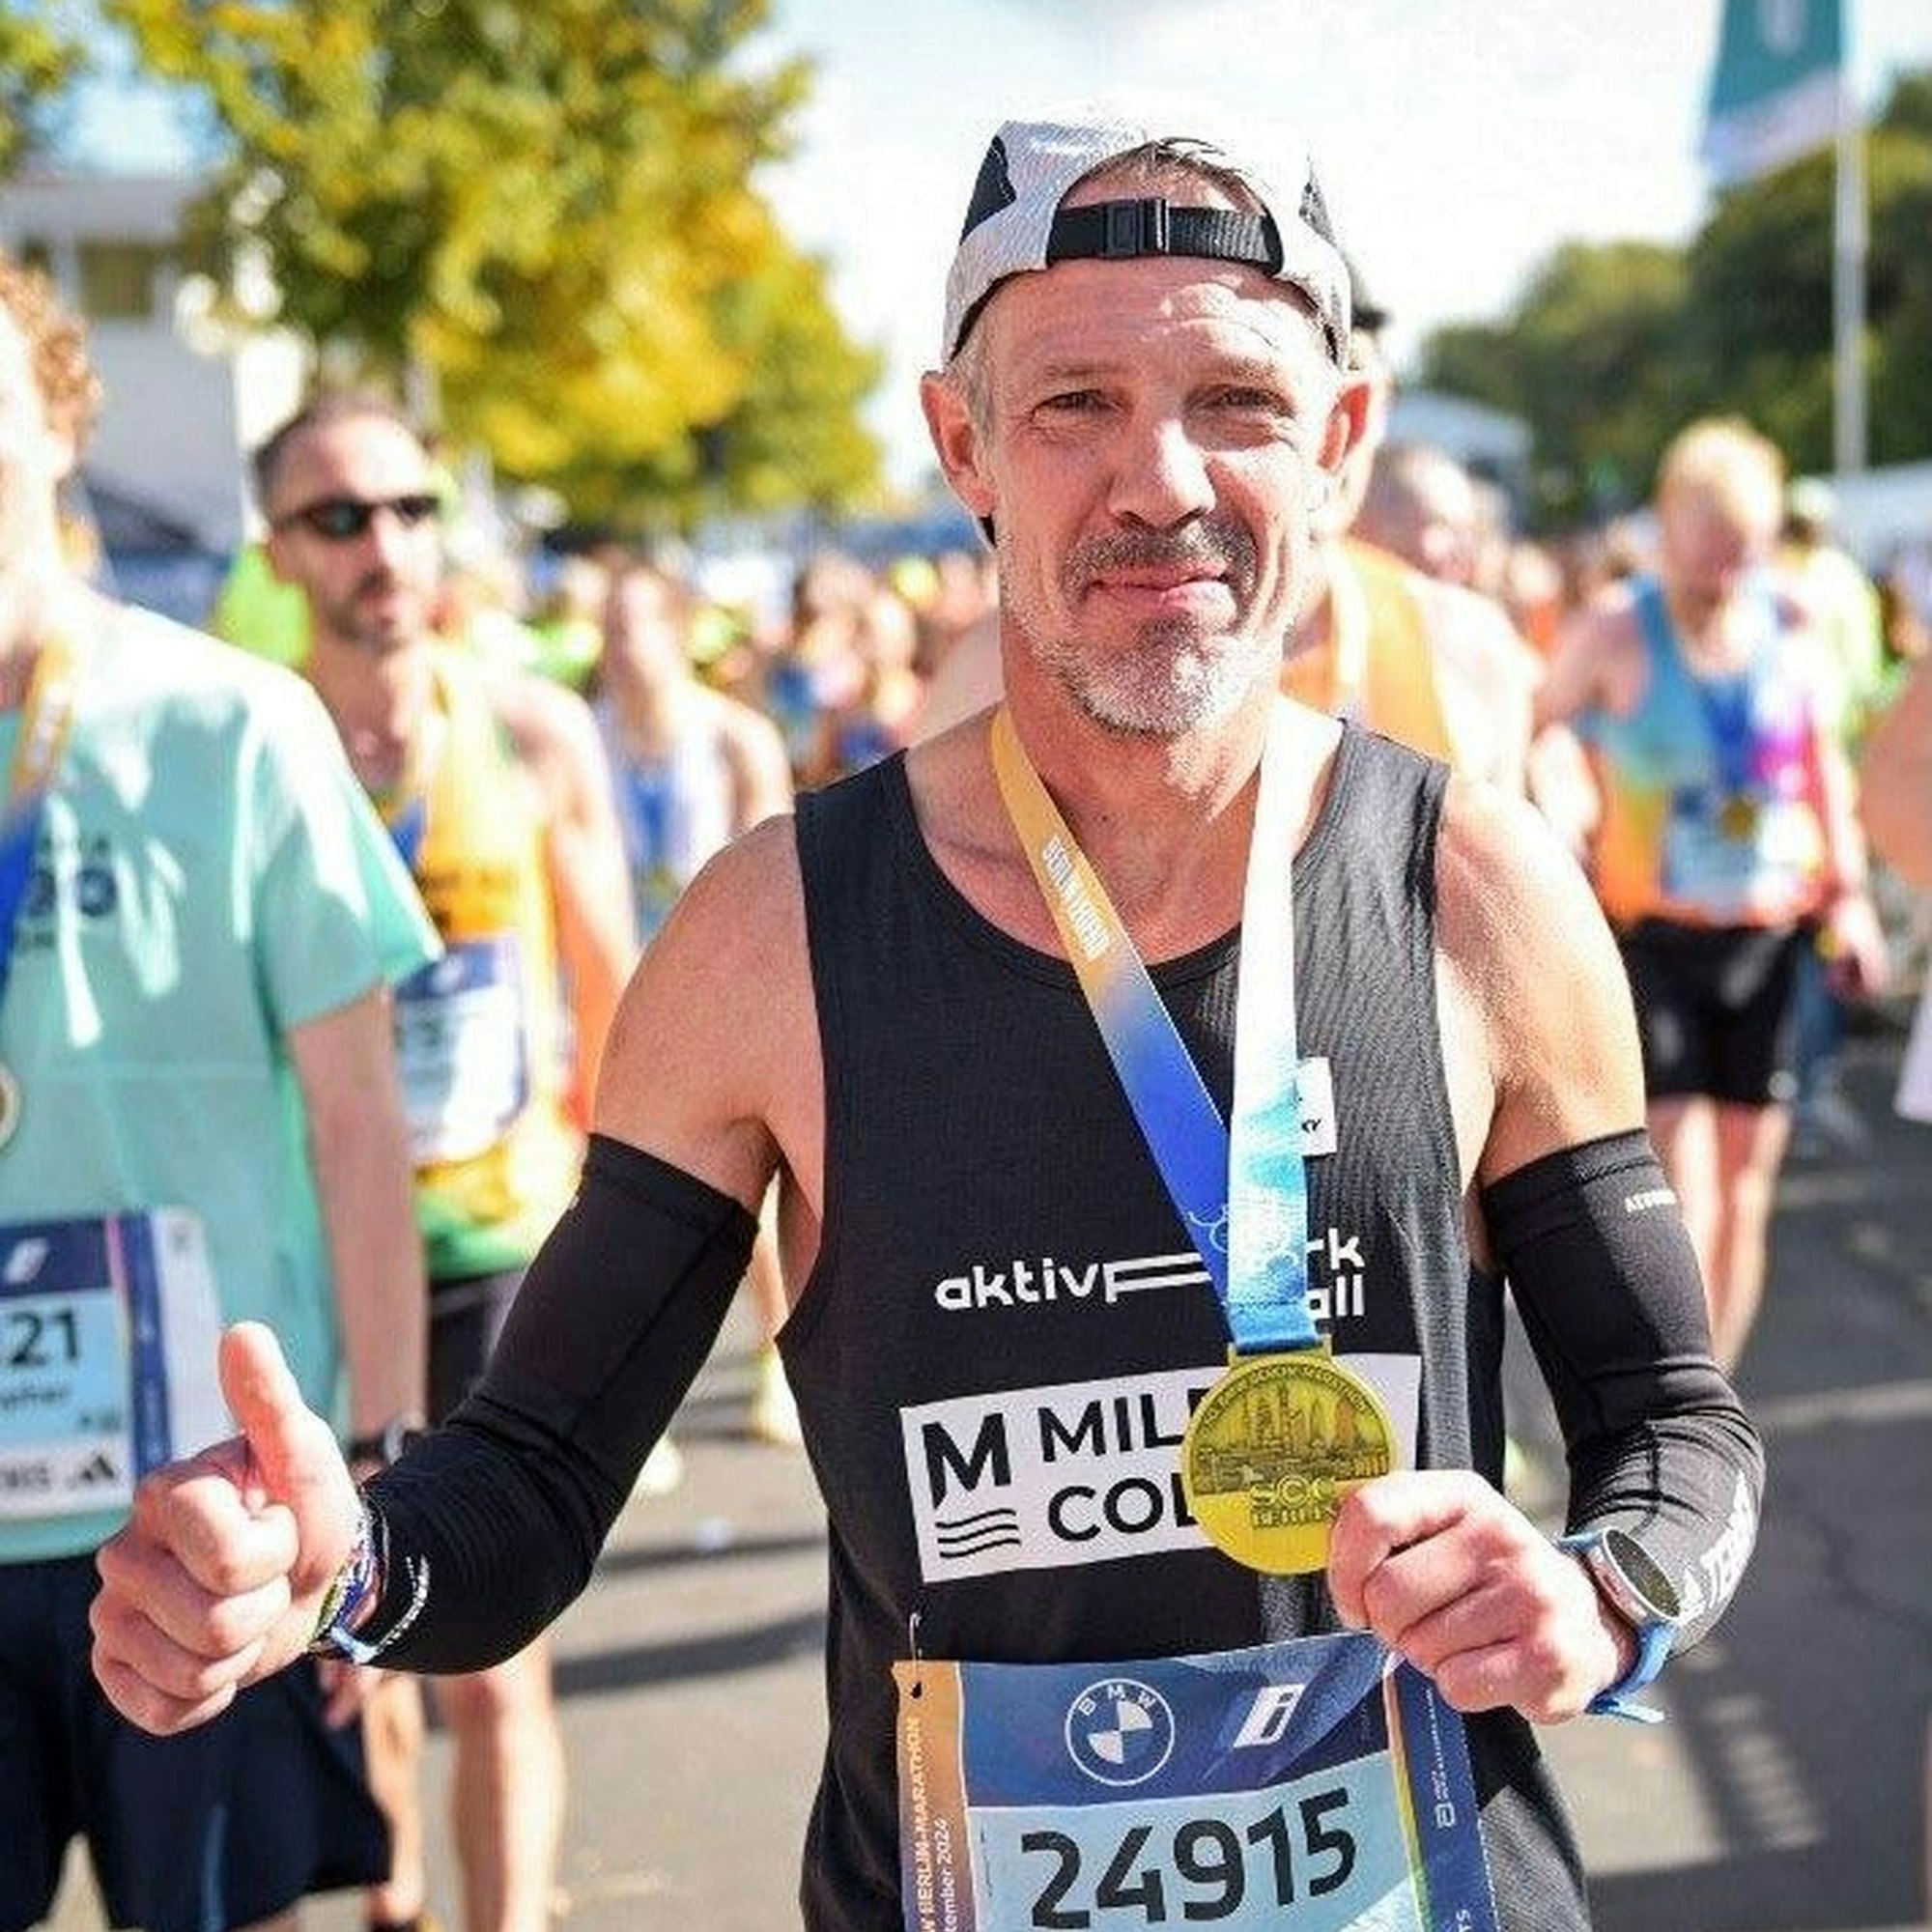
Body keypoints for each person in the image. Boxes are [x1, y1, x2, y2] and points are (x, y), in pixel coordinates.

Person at [92, 106, 1765, 1932]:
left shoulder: (1480, 895)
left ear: (1344, 444)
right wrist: (342, 1567)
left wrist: (1602, 1594)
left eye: (1238, 405)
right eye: (1074, 409)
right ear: (960, 443)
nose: (1162, 485)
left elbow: (1679, 1426)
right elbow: (536, 1481)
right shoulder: (769, 939)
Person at [0, 254, 436, 1932]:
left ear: (55, 417)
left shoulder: (232, 723)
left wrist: (383, 1495)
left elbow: (358, 1126)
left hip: (200, 1498)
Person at [251, 391, 638, 1932]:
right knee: (343, 1634)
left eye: (411, 509)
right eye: (339, 520)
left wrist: (651, 1233)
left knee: (491, 1646)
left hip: (496, 1246)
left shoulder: (530, 731)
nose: (384, 548)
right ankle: (398, 1895)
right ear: (280, 551)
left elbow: (616, 994)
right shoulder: (255, 740)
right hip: (306, 1250)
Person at [1538, 417, 1888, 1369]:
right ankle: (1676, 1381)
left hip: (1770, 939)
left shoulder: (1789, 623)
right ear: (1666, 528)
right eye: (1706, 552)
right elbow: (1536, 724)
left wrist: (1848, 895)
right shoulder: (1616, 626)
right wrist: (1560, 793)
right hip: (1654, 936)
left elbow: (1818, 764)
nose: (1724, 573)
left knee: (1744, 1188)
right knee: (1679, 1184)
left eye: (1743, 551)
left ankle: (1714, 1389)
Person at [595, 552, 798, 1446]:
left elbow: (775, 871)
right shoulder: (586, 733)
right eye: (607, 628)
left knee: (742, 1198)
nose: (616, 646)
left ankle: (780, 1357)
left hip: (720, 992)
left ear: (675, 634)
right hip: (610, 990)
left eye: (632, 625)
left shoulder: (732, 738)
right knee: (612, 1210)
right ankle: (630, 1421)